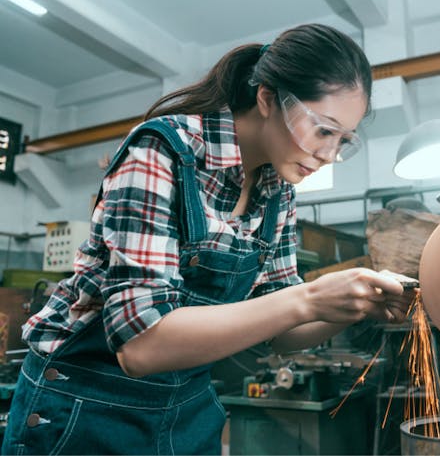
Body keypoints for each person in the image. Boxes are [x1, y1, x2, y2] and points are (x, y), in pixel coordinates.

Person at [2, 24, 415, 455]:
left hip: (186, 407)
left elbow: (281, 330)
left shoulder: (278, 189)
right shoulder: (163, 151)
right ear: (268, 98)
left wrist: (356, 305)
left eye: (344, 141)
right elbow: (140, 346)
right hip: (85, 407)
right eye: (324, 130)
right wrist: (307, 298)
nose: (329, 155)